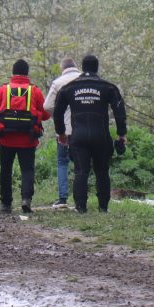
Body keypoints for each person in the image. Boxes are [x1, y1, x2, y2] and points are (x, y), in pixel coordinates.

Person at [53, 55, 127, 213]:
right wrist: (121, 134)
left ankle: (81, 207)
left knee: (80, 171)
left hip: (78, 136)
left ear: (82, 67)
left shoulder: (69, 88)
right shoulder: (108, 87)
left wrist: (61, 133)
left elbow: (57, 112)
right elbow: (119, 111)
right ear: (97, 68)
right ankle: (103, 207)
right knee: (102, 171)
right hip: (101, 135)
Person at [0, 59, 49, 214]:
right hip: (28, 139)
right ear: (27, 73)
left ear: (13, 72)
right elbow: (45, 115)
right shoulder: (35, 91)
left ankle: (5, 203)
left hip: (6, 138)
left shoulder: (3, 90)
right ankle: (26, 199)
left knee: (6, 170)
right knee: (27, 170)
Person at [43, 58, 82, 209]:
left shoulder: (58, 82)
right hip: (83, 128)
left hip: (64, 130)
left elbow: (47, 106)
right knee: (81, 163)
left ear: (63, 68)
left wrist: (58, 115)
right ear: (75, 67)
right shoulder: (85, 80)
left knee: (62, 162)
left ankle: (63, 198)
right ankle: (80, 199)